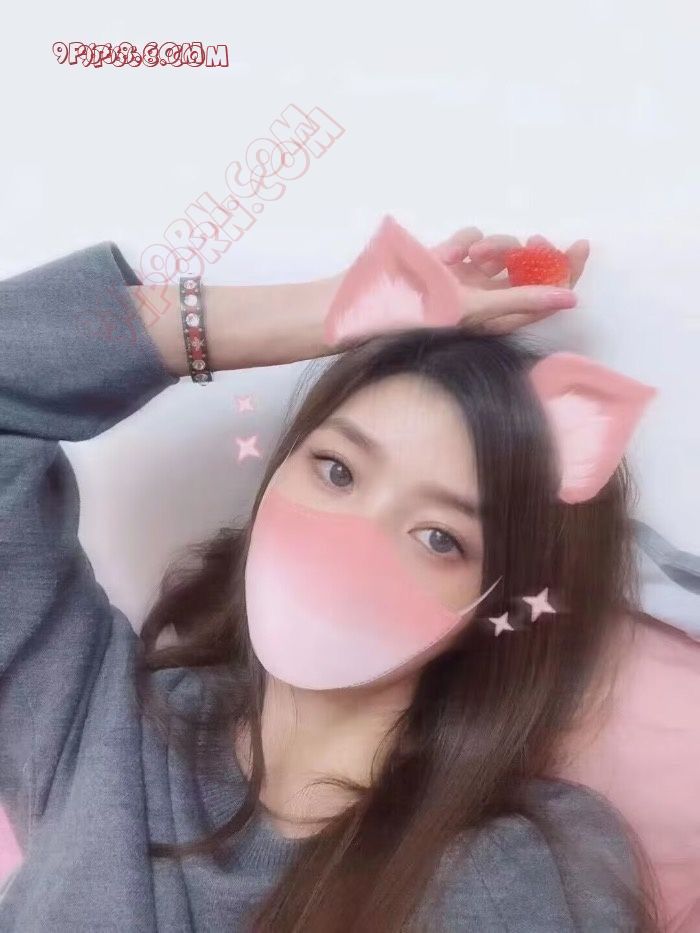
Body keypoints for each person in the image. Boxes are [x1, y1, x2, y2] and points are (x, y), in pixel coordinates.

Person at [0, 227, 660, 932]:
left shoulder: (513, 869)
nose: (349, 545)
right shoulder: (105, 718)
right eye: (337, 470)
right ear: (279, 466)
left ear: (493, 602)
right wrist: (337, 308)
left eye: (439, 537)